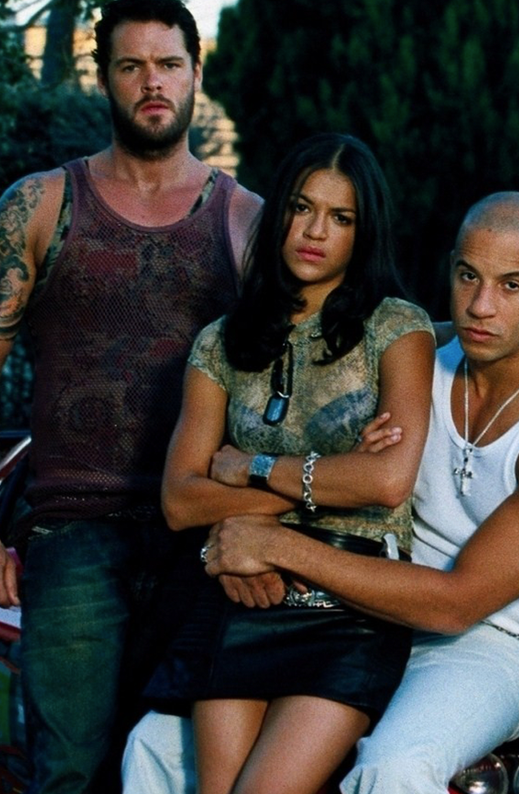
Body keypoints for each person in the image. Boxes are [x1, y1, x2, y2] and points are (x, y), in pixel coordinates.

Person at [122, 190, 519, 793]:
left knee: (393, 767)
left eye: (512, 286)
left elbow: (455, 603)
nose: (480, 305)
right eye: (468, 275)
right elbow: (277, 442)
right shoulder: (413, 355)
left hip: (492, 641)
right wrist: (236, 542)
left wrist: (275, 546)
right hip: (355, 608)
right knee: (155, 746)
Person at [0, 0, 262, 791]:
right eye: (132, 66)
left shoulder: (245, 220)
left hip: (201, 535)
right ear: (106, 78)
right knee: (69, 773)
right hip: (73, 534)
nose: (152, 81)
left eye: (168, 64)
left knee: (188, 769)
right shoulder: (43, 203)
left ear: (194, 75)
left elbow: (309, 355)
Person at [141, 133, 433, 793]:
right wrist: (329, 476)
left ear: (364, 231)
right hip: (245, 589)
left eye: (341, 217)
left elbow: (385, 480)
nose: (315, 231)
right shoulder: (221, 341)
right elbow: (181, 499)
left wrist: (245, 467)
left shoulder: (396, 328)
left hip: (349, 604)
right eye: (302, 208)